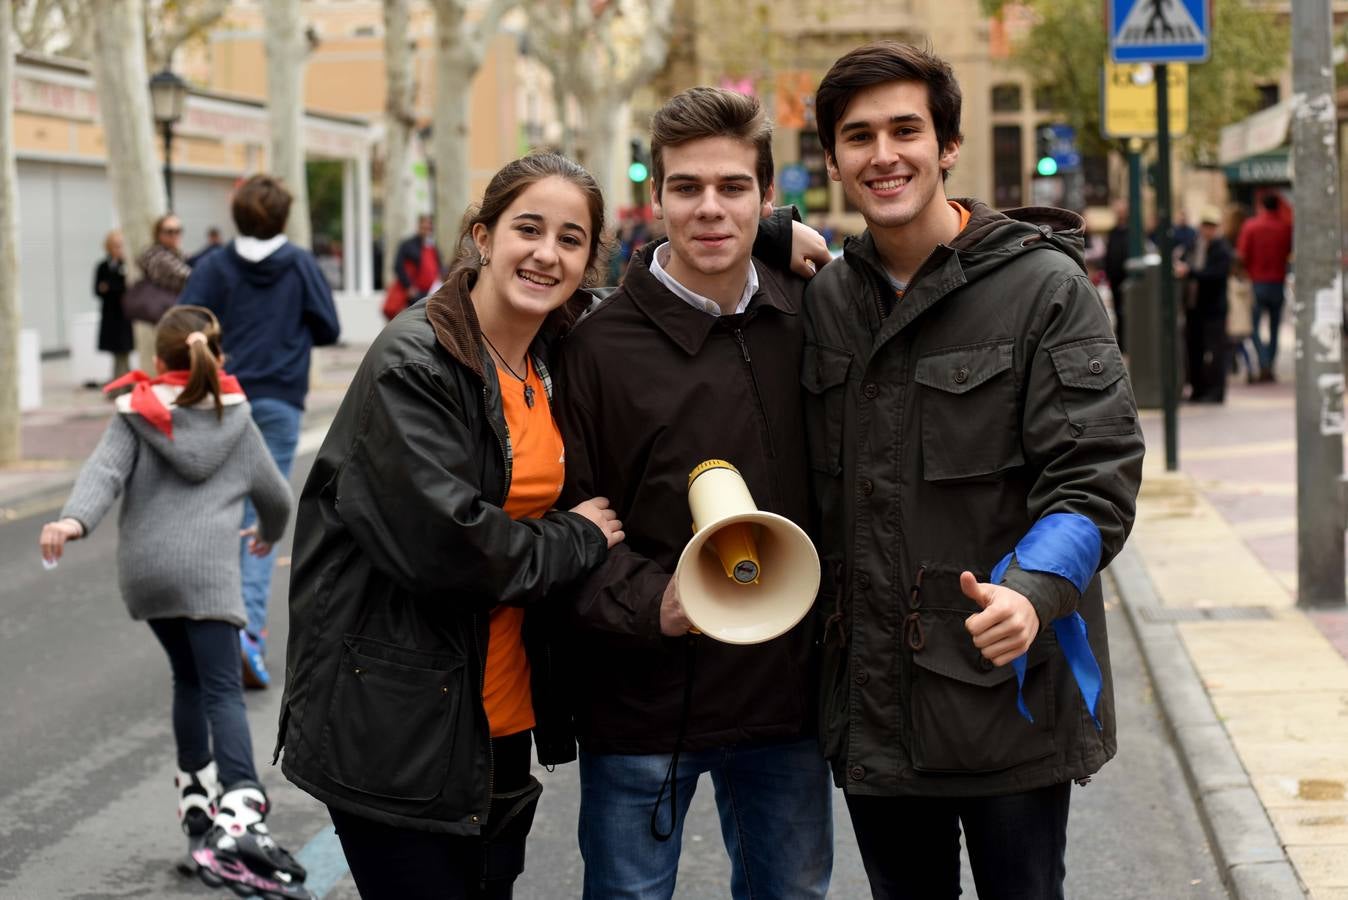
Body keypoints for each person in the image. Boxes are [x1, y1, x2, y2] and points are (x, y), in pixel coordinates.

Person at [800, 42, 1145, 899]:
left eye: (906, 130)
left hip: (1007, 699)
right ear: (835, 160)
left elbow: (1093, 474)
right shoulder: (824, 301)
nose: (884, 155)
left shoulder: (1045, 288)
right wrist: (775, 232)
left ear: (947, 145)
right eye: (858, 136)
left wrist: (1032, 588)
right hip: (873, 706)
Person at [277, 153, 624, 900]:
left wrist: (769, 236)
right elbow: (451, 548)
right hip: (396, 725)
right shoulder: (417, 364)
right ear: (482, 236)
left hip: (491, 720)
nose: (546, 253)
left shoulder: (551, 348)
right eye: (527, 229)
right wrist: (581, 537)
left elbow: (665, 292)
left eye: (571, 239)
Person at [555, 87, 835, 900]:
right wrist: (658, 606)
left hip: (785, 706)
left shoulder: (815, 313)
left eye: (733, 188)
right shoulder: (593, 346)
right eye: (686, 188)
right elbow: (566, 521)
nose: (710, 210)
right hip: (643, 706)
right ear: (656, 196)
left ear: (767, 198)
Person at [37, 306, 311, 900]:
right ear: (214, 354)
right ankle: (240, 815)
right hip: (207, 573)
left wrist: (71, 523)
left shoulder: (136, 413)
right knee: (220, 688)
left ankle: (198, 819)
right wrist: (266, 532)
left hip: (147, 576)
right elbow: (276, 495)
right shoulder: (235, 417)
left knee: (188, 681)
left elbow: (102, 476)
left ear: (158, 360)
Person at [178, 174, 341, 690]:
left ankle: (212, 628)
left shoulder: (215, 264)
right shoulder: (298, 263)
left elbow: (183, 323)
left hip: (220, 399)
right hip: (277, 400)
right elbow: (330, 327)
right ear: (284, 216)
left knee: (217, 511)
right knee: (259, 519)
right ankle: (245, 631)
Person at [1176, 205, 1232, 403]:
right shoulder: (1194, 244)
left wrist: (1189, 272)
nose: (1208, 229)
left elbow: (1215, 275)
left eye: (1212, 226)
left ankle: (1216, 392)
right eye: (1205, 225)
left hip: (1213, 309)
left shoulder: (1222, 249)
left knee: (1215, 351)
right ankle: (1197, 389)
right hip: (1194, 306)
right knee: (1194, 349)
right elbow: (1182, 261)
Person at [1236, 193, 1294, 382]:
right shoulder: (1286, 228)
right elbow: (1289, 253)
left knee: (1253, 327)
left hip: (1257, 282)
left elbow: (1242, 255)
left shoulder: (1251, 226)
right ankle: (1269, 362)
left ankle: (1263, 360)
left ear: (1261, 206)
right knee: (1275, 326)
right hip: (1277, 282)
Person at [383, 213, 444, 319]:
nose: (426, 230)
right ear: (419, 226)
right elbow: (398, 266)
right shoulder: (408, 244)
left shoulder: (432, 246)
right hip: (413, 294)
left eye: (429, 227)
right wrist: (409, 287)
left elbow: (439, 266)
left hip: (430, 292)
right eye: (424, 226)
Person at [93, 229, 133, 380]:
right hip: (110, 315)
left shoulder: (127, 266)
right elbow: (98, 289)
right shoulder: (103, 266)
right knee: (117, 353)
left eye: (120, 245)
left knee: (124, 352)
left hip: (124, 316)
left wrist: (109, 287)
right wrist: (111, 288)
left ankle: (124, 383)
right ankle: (122, 383)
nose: (118, 249)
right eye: (115, 245)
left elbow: (126, 288)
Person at [1103, 199, 1130, 351]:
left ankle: (1128, 341)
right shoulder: (1113, 231)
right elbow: (1109, 253)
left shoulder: (1131, 231)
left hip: (1127, 277)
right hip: (1115, 277)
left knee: (1128, 310)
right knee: (1118, 311)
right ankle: (1121, 342)